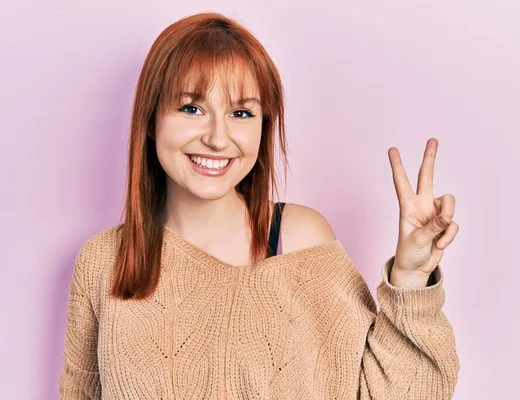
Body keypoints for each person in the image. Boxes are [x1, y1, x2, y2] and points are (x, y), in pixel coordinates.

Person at [59, 12, 460, 400]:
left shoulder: (299, 238)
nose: (218, 138)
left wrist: (409, 278)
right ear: (151, 119)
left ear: (263, 127)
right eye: (192, 108)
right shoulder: (104, 262)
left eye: (241, 113)